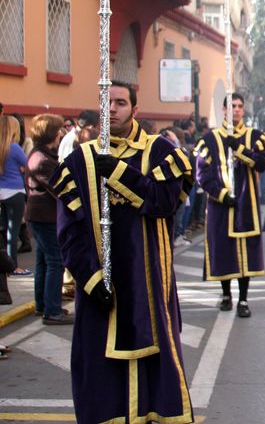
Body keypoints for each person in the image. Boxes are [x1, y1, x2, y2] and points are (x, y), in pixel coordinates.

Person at [51, 81, 194, 423]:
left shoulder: (160, 151)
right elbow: (69, 231)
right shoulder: (79, 160)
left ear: (135, 109)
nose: (112, 109)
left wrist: (118, 173)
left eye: (120, 102)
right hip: (101, 288)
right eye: (107, 102)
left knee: (154, 364)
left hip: (149, 282)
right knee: (100, 372)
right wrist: (90, 278)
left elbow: (164, 204)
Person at [195, 93, 265, 318]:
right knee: (223, 250)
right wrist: (221, 195)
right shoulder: (209, 139)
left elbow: (261, 164)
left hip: (246, 204)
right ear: (224, 109)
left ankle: (243, 299)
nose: (237, 109)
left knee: (246, 254)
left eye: (240, 106)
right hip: (220, 206)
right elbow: (202, 174)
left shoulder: (255, 136)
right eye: (232, 106)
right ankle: (225, 295)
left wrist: (240, 149)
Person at [26, 114, 71, 324]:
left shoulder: (41, 154)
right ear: (52, 133)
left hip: (41, 215)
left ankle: (43, 305)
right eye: (59, 129)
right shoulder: (43, 159)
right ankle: (52, 310)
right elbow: (59, 188)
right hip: (45, 216)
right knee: (55, 261)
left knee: (44, 261)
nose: (61, 133)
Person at [0, 115, 30, 276]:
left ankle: (4, 265)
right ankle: (13, 267)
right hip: (15, 191)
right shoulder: (15, 148)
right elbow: (29, 165)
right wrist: (22, 169)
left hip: (2, 191)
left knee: (4, 230)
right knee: (13, 231)